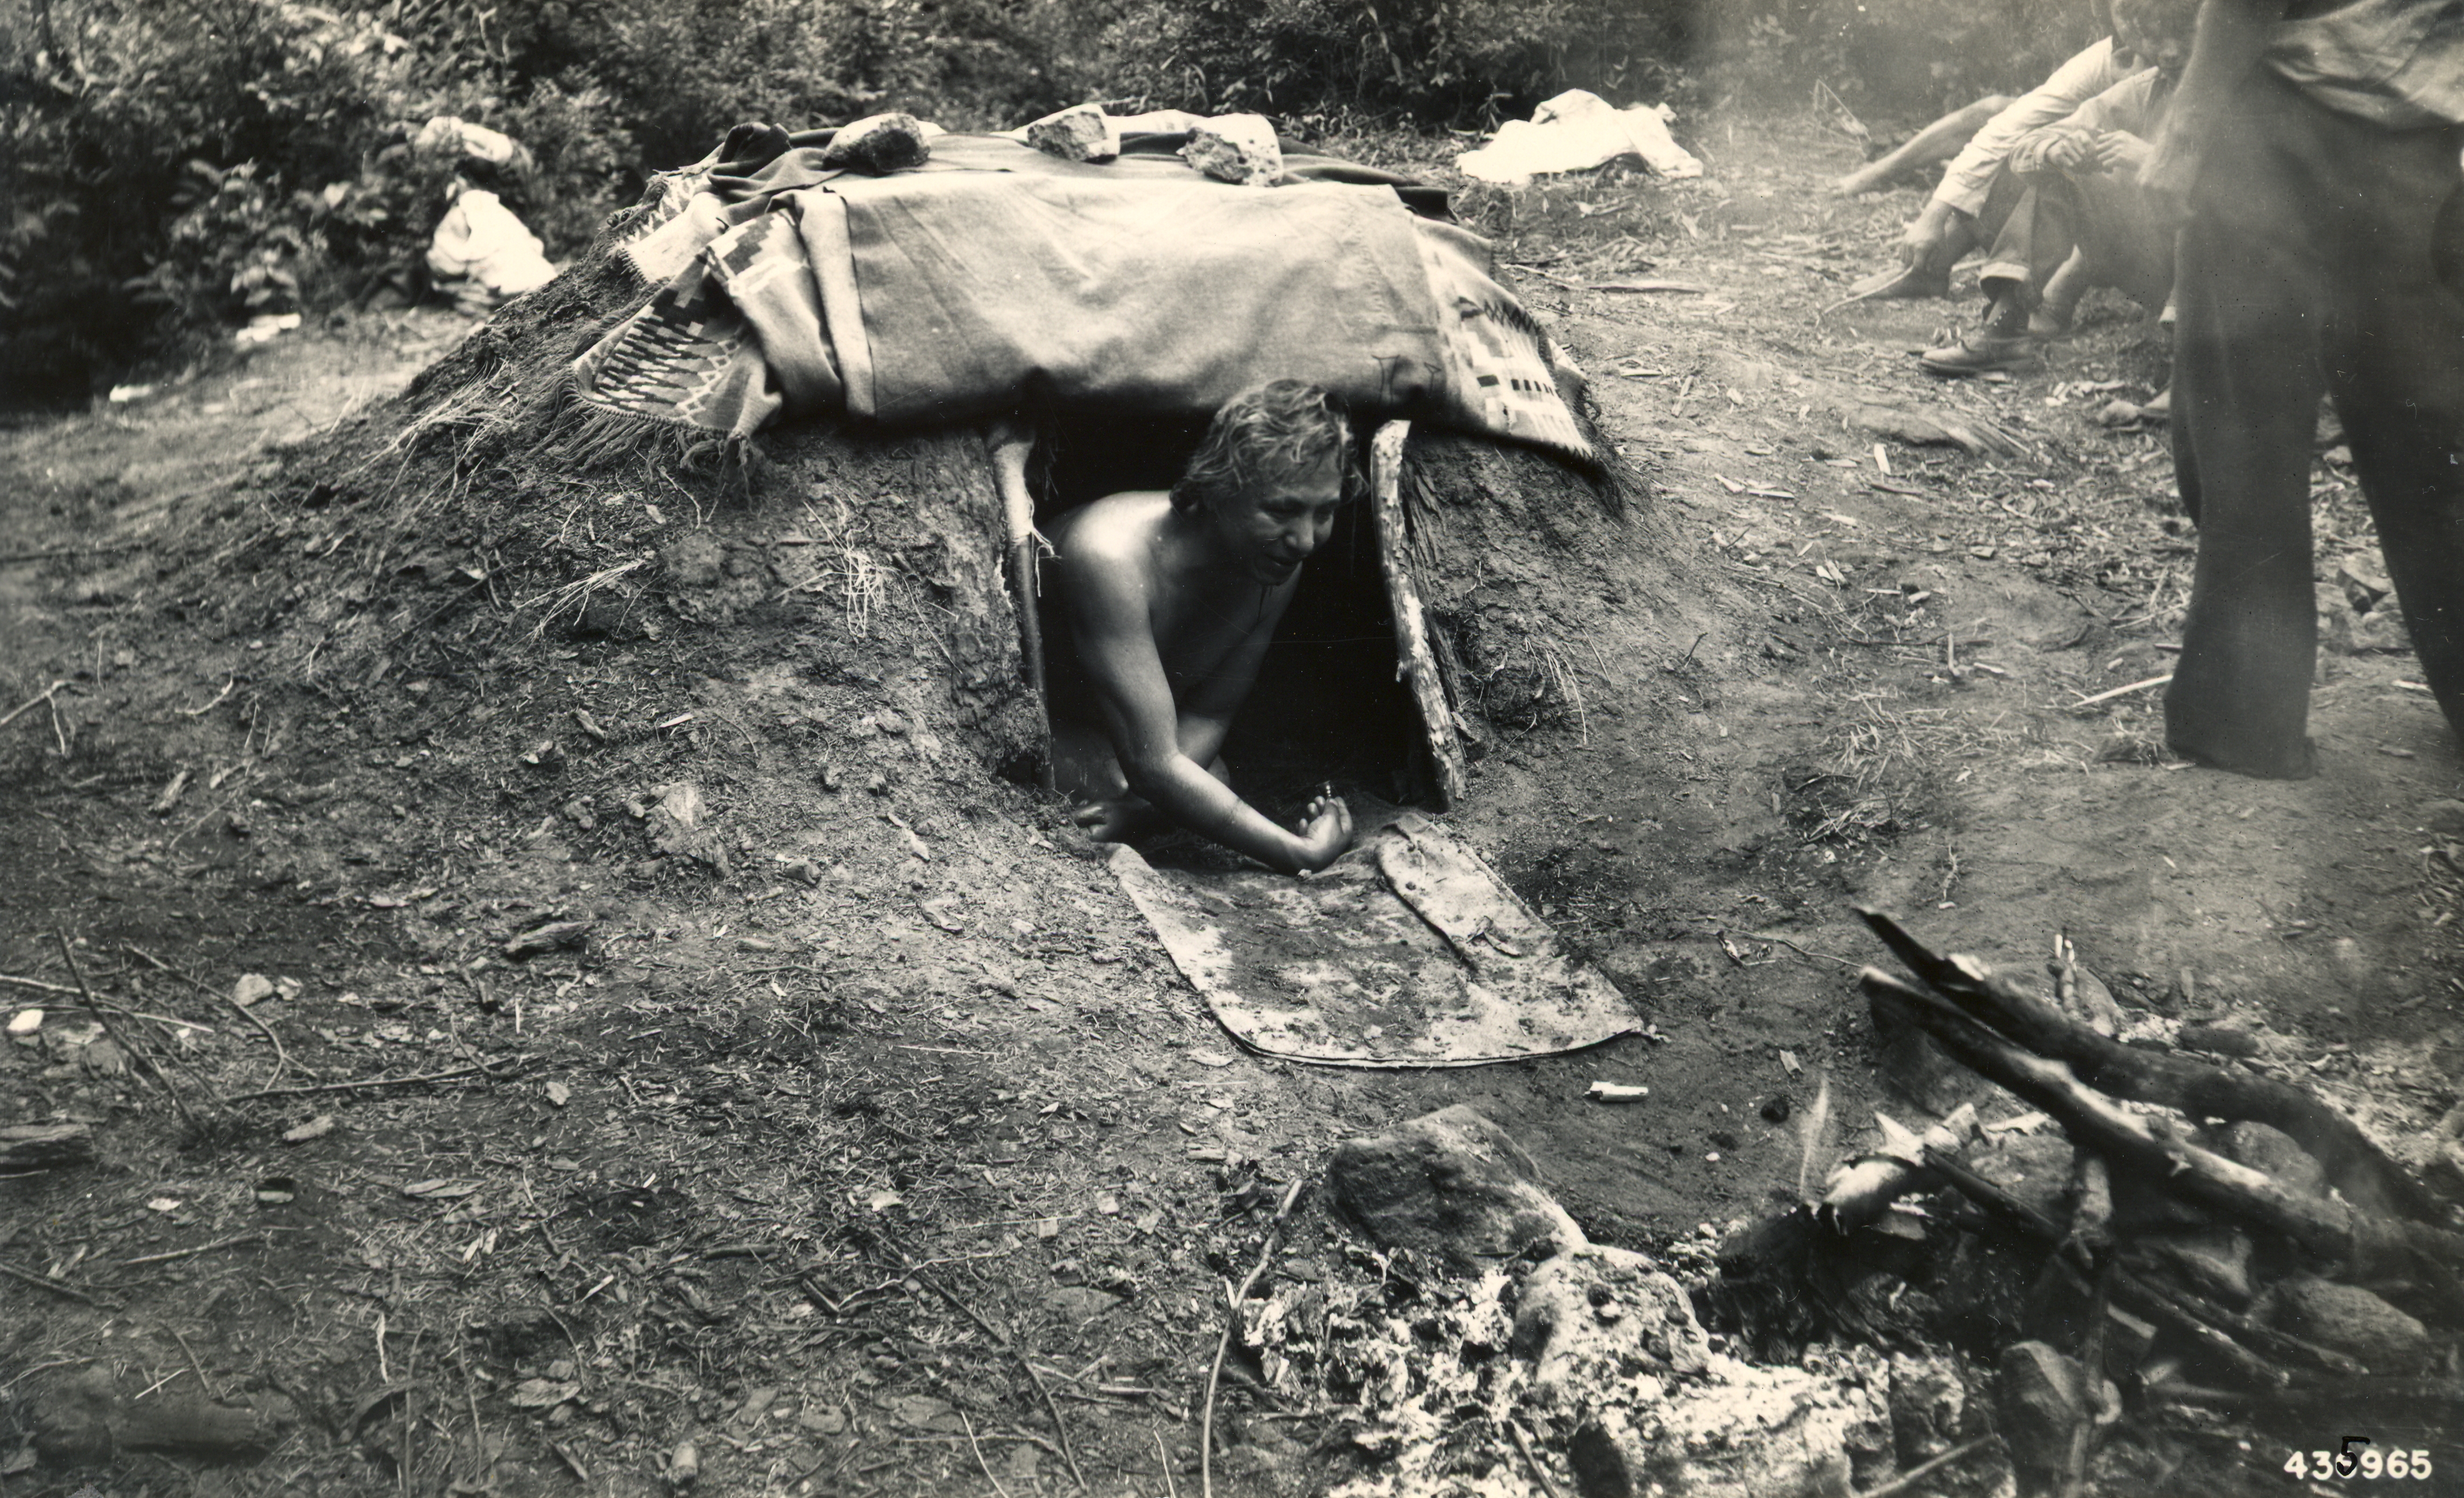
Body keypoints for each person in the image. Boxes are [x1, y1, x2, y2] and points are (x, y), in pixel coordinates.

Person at [2142, 0, 2464, 778]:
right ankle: (2243, 722)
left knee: (2429, 435)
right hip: (2277, 117)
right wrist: (2186, 130)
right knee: (2247, 419)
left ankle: (2243, 722)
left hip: (2418, 140)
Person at [1037, 380, 1358, 873]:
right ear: (1218, 486)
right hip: (1050, 726)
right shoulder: (1110, 556)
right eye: (1283, 509)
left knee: (1209, 778)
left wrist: (1145, 807)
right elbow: (1154, 765)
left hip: (1137, 740)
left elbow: (1209, 716)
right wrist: (1299, 852)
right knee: (1164, 783)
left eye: (1325, 512)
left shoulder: (1276, 567)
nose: (1306, 540)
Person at [1918, 0, 2194, 377]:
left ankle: (2197, 373)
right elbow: (2027, 147)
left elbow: (2261, 205)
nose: (2170, 51)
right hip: (2152, 267)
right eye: (2157, 36)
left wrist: (2155, 159)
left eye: (2184, 34)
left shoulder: (2249, 96)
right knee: (2059, 172)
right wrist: (2055, 149)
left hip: (2219, 284)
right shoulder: (2145, 90)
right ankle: (2004, 333)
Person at [1851, 4, 2150, 301]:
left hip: (2153, 219)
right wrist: (1934, 215)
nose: (2134, 24)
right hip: (2111, 205)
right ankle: (1929, 269)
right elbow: (2011, 125)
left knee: (2054, 160)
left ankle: (2048, 300)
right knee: (2023, 143)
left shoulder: (2181, 58)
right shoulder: (2109, 57)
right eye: (2123, 11)